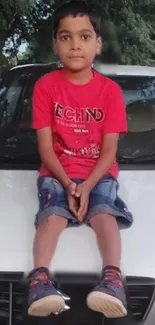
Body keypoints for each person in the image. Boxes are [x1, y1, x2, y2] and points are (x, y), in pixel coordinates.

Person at [28, 0, 133, 319]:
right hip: (55, 172)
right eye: (66, 37)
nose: (75, 45)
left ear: (98, 44)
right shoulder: (45, 86)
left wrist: (86, 186)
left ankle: (113, 280)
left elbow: (110, 150)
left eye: (85, 36)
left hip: (98, 174)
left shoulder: (110, 92)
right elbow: (46, 148)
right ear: (55, 44)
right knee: (53, 215)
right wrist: (68, 184)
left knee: (104, 215)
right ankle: (40, 281)